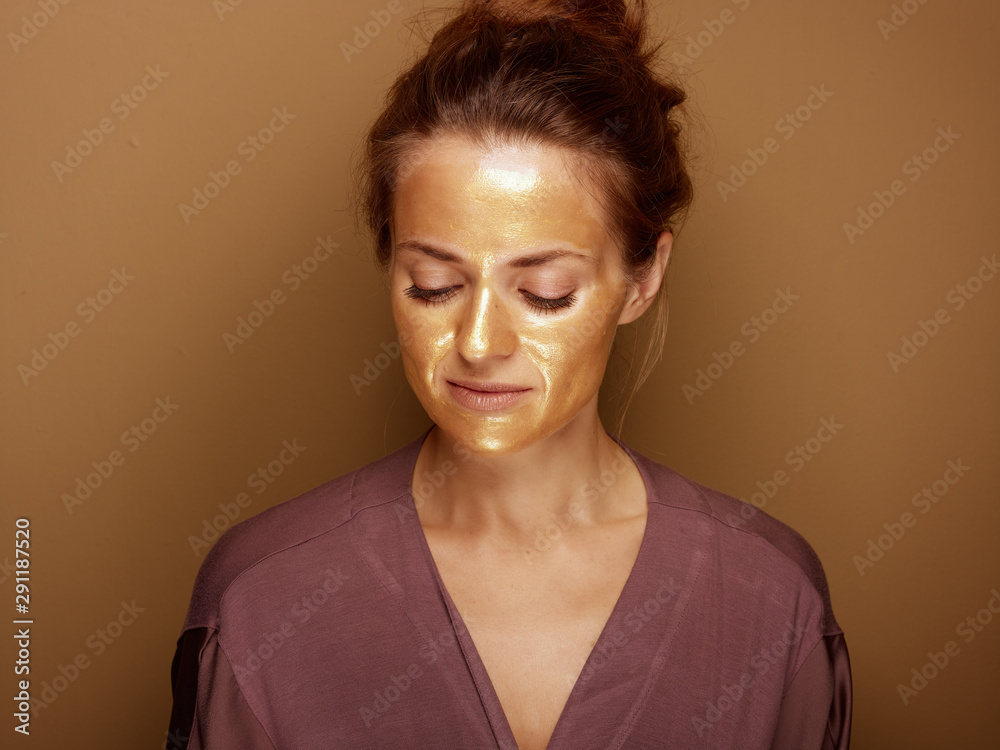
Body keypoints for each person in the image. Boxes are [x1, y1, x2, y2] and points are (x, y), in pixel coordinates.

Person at [166, 1, 853, 748]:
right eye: (433, 284)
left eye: (545, 292)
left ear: (643, 277)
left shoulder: (768, 601)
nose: (480, 342)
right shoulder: (263, 599)